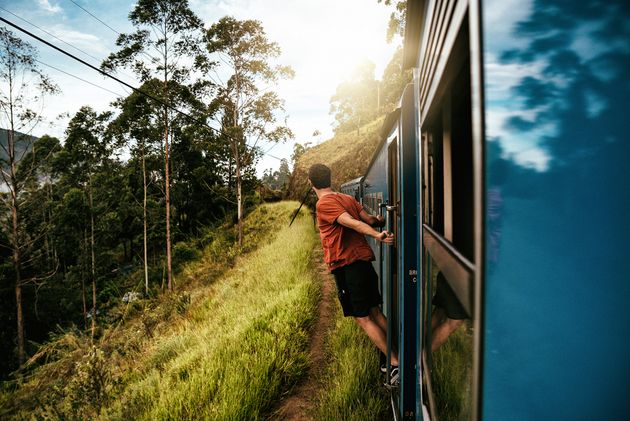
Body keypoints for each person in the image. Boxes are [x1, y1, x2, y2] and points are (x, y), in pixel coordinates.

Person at [308, 163, 399, 382]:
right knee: (375, 312)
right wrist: (380, 221)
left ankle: (395, 363)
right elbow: (369, 220)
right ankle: (398, 350)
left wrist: (377, 236)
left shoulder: (324, 203)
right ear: (330, 178)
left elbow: (352, 223)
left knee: (363, 317)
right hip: (363, 263)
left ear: (311, 184)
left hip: (348, 266)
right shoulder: (347, 199)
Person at [430, 272, 466, 352]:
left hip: (448, 273)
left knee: (439, 314)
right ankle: (419, 358)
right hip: (460, 280)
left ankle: (414, 347)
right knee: (453, 322)